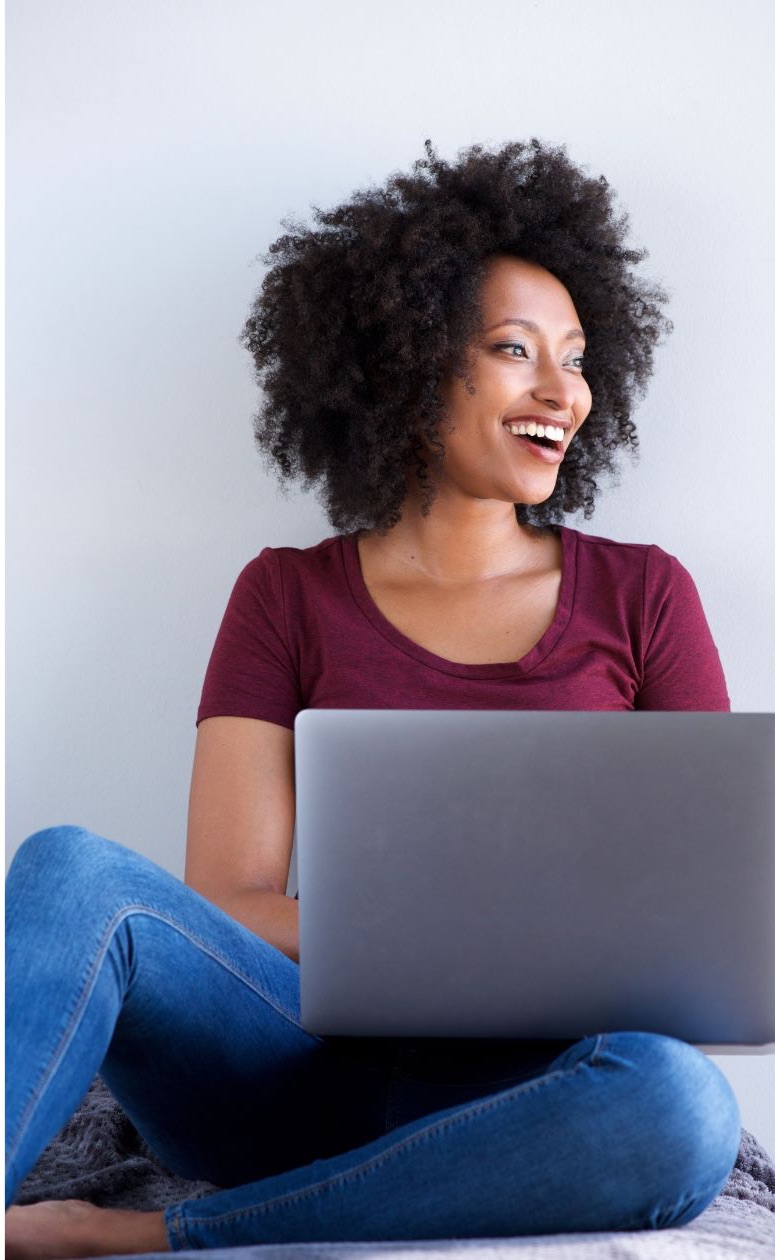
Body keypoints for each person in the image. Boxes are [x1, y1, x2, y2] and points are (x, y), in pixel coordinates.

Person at [5, 139, 741, 1258]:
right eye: (513, 350)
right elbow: (229, 901)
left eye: (578, 360)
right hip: (291, 1078)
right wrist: (434, 937)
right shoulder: (284, 594)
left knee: (681, 1108)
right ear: (405, 362)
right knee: (70, 871)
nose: (563, 392)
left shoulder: (646, 595)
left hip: (536, 1097)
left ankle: (152, 1240)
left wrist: (518, 955)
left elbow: (707, 932)